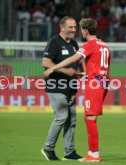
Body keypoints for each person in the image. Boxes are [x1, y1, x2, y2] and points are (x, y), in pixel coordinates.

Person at [44, 18, 111, 162]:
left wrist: (54, 68)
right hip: (102, 82)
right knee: (74, 118)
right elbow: (96, 64)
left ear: (85, 31)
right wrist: (86, 74)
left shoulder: (88, 44)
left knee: (89, 118)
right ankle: (67, 151)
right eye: (71, 27)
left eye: (78, 28)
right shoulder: (104, 45)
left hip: (94, 84)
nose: (77, 30)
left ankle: (93, 154)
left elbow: (74, 59)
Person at [41, 16, 83, 161]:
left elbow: (79, 60)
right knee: (61, 117)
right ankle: (48, 148)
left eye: (75, 27)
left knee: (71, 120)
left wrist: (82, 72)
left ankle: (69, 151)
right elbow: (45, 62)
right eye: (70, 27)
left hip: (71, 86)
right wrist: (65, 71)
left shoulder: (74, 44)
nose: (73, 30)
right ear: (62, 27)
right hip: (56, 86)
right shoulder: (54, 42)